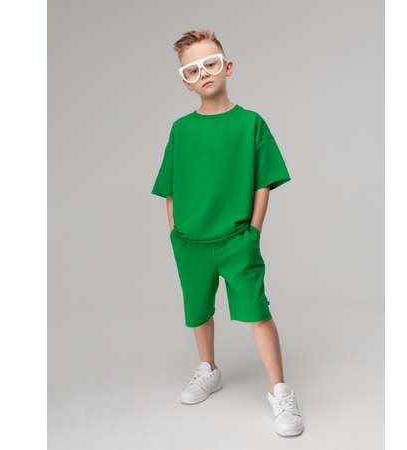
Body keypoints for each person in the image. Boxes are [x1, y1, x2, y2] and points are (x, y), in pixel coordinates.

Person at [151, 29, 304, 437]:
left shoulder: (250, 123)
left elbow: (263, 181)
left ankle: (280, 391)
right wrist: (175, 233)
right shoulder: (181, 129)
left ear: (228, 67)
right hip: (190, 241)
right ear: (186, 81)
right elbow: (171, 186)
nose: (203, 73)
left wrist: (253, 231)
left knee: (256, 311)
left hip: (237, 239)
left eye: (211, 63)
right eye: (192, 69)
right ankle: (208, 369)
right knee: (198, 311)